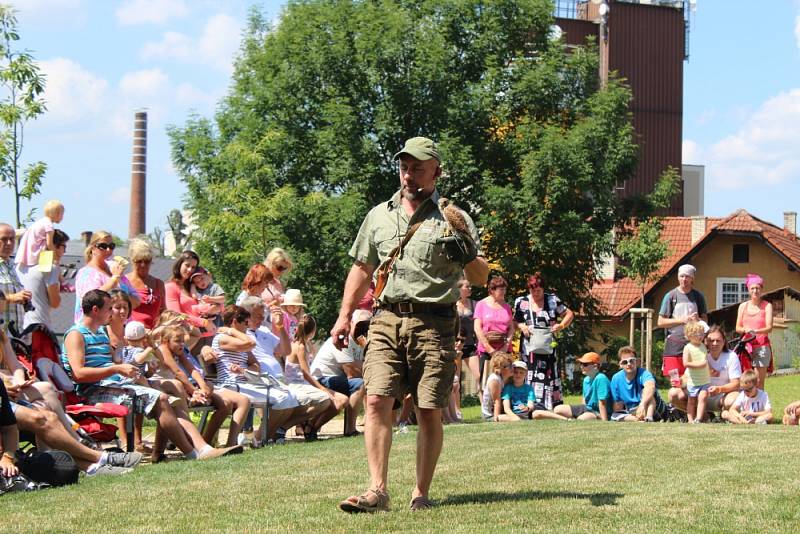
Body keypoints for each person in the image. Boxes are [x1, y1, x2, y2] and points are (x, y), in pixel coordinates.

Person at [332, 136, 488, 513]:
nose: (409, 173)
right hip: (386, 318)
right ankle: (377, 491)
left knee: (428, 408)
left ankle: (420, 493)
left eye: (418, 167)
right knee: (375, 399)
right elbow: (361, 268)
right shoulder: (378, 215)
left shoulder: (454, 216)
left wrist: (466, 251)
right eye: (404, 165)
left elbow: (481, 277)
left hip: (434, 322)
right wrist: (343, 315)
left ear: (436, 170)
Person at [63, 289, 242, 461]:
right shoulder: (76, 334)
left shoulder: (100, 334)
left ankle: (203, 448)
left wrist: (134, 369)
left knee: (173, 398)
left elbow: (115, 365)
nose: (111, 313)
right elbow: (79, 374)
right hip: (93, 391)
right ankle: (193, 454)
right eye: (109, 308)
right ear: (95, 310)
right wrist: (117, 369)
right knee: (161, 399)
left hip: (114, 384)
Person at [239, 296, 331, 443]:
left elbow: (285, 350)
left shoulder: (263, 330)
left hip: (276, 382)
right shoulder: (241, 333)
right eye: (258, 316)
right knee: (286, 400)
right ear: (246, 314)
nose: (262, 319)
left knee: (290, 401)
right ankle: (262, 437)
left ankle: (266, 436)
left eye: (263, 316)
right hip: (258, 382)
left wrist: (281, 327)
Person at [513, 272, 573, 411]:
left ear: (543, 289)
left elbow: (569, 314)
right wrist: (522, 326)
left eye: (538, 290)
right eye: (533, 290)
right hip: (528, 349)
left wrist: (561, 325)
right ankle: (528, 406)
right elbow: (514, 321)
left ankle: (551, 406)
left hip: (548, 346)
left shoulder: (552, 300)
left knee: (549, 373)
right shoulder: (521, 302)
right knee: (528, 374)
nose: (536, 293)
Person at [310, 310, 370, 436]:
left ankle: (311, 427)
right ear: (351, 323)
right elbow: (352, 373)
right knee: (359, 384)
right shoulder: (343, 339)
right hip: (321, 379)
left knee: (361, 383)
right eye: (360, 324)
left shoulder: (362, 341)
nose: (364, 328)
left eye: (367, 324)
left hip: (336, 379)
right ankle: (350, 429)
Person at [669, 325, 741, 418]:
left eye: (718, 340)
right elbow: (687, 377)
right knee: (673, 393)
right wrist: (679, 382)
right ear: (706, 341)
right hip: (698, 396)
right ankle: (704, 416)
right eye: (711, 340)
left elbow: (736, 384)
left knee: (734, 399)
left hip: (721, 397)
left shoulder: (731, 356)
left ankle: (725, 415)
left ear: (724, 341)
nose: (714, 343)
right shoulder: (699, 353)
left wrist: (719, 389)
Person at [74, 231, 140, 322]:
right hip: (96, 330)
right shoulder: (86, 273)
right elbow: (90, 301)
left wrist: (121, 298)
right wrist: (114, 279)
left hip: (121, 329)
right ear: (93, 248)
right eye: (103, 246)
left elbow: (137, 301)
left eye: (111, 246)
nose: (108, 250)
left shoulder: (114, 268)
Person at [658, 264, 707, 382]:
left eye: (687, 276)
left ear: (692, 278)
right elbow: (660, 322)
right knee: (675, 382)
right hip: (674, 346)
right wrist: (682, 320)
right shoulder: (670, 296)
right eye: (682, 276)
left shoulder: (698, 297)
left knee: (693, 381)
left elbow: (705, 320)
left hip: (693, 345)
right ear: (678, 277)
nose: (684, 279)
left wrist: (697, 321)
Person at [533, 352, 610, 421]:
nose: (581, 366)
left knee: (581, 419)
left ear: (595, 366)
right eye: (581, 364)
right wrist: (581, 411)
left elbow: (602, 402)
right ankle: (568, 419)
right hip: (587, 409)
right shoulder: (586, 379)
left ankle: (572, 419)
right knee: (557, 409)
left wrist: (604, 420)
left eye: (585, 364)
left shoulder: (601, 378)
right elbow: (584, 400)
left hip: (597, 412)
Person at [473, 275, 514, 394]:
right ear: (492, 290)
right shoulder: (481, 304)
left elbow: (511, 328)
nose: (503, 292)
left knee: (505, 381)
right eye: (501, 289)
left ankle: (504, 408)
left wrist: (506, 345)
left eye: (505, 289)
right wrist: (489, 348)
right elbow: (477, 328)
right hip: (486, 349)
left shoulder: (507, 306)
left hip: (504, 349)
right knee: (486, 382)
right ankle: (487, 409)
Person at [735, 273, 773, 390]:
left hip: (761, 347)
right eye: (752, 288)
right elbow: (738, 327)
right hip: (745, 348)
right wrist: (745, 330)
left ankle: (759, 407)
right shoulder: (742, 306)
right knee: (744, 381)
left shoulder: (767, 306)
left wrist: (755, 331)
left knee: (758, 383)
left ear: (761, 289)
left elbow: (769, 327)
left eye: (757, 288)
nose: (755, 290)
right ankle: (747, 406)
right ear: (748, 289)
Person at [609, 346, 666, 422]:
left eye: (631, 361)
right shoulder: (616, 378)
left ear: (637, 362)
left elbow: (650, 386)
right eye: (625, 362)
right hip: (632, 411)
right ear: (620, 364)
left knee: (647, 393)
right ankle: (638, 419)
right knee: (615, 416)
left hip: (651, 407)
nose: (628, 364)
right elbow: (618, 404)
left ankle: (649, 418)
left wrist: (642, 405)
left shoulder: (644, 373)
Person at [165, 250, 214, 332]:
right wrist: (204, 322)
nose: (190, 270)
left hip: (208, 331)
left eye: (193, 267)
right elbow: (176, 315)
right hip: (189, 336)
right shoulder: (170, 287)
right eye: (187, 265)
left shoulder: (195, 286)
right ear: (179, 265)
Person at [14, 199, 64, 273]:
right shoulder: (49, 225)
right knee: (53, 268)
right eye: (62, 214)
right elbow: (49, 243)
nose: (62, 217)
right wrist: (55, 257)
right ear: (57, 214)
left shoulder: (39, 222)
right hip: (38, 256)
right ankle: (61, 281)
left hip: (28, 254)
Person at [126, 238, 166, 329]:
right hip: (131, 333)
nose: (143, 265)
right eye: (139, 261)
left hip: (153, 334)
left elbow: (163, 311)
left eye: (147, 261)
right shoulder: (125, 281)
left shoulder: (159, 284)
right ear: (132, 261)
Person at [455, 279, 478, 413]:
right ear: (459, 289)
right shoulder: (453, 305)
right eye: (467, 287)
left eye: (470, 286)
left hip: (471, 345)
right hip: (457, 346)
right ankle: (457, 412)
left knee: (479, 377)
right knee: (455, 381)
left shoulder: (475, 304)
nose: (470, 289)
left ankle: (486, 410)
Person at [682, 321, 710, 424]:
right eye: (698, 334)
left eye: (702, 334)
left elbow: (706, 361)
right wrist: (700, 365)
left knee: (702, 397)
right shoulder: (688, 348)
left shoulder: (703, 346)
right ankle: (690, 420)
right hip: (693, 380)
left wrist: (711, 370)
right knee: (692, 401)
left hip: (704, 379)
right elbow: (685, 363)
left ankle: (698, 419)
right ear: (690, 336)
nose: (701, 336)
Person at [481, 352, 513, 422]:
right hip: (490, 415)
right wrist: (496, 420)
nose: (512, 368)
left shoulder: (507, 378)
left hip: (501, 411)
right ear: (499, 368)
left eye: (511, 365)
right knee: (514, 418)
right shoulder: (495, 379)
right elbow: (496, 401)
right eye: (509, 366)